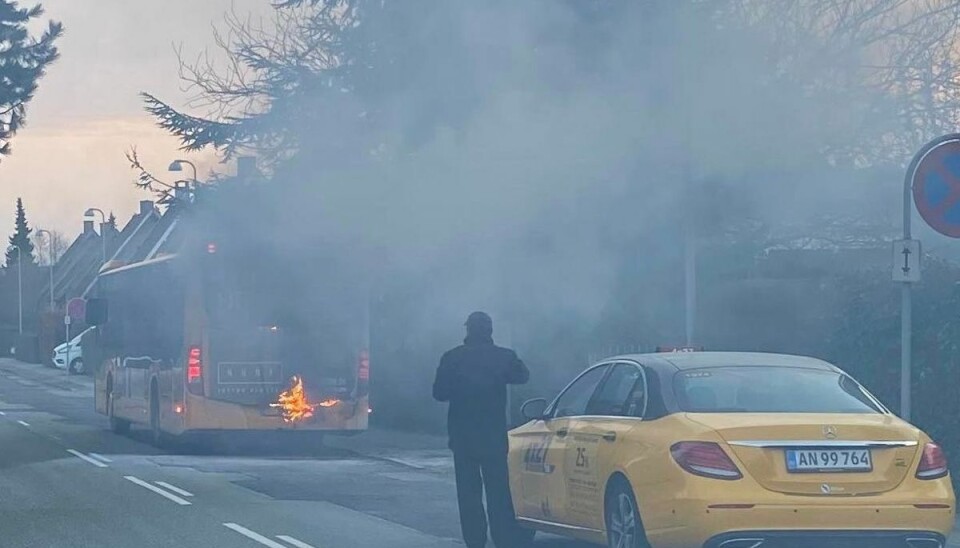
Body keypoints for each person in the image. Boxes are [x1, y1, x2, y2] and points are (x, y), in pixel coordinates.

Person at [433, 311, 530, 548]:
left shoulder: (452, 357)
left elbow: (439, 393)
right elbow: (523, 376)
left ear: (468, 330)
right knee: (499, 493)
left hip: (463, 437)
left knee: (468, 495)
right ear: (490, 331)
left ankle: (475, 541)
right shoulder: (504, 357)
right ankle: (504, 539)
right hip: (494, 438)